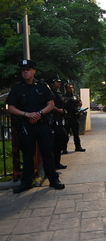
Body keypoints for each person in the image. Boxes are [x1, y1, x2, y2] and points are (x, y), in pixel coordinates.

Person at [6, 60, 65, 193]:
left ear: (34, 71)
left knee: (47, 153)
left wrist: (38, 114)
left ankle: (53, 180)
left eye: (28, 69)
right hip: (26, 126)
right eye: (23, 70)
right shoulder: (17, 88)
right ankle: (26, 182)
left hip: (42, 124)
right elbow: (10, 107)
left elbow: (50, 104)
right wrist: (27, 114)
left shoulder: (43, 86)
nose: (25, 72)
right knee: (28, 154)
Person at [47, 75, 68, 169]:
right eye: (57, 82)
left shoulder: (57, 92)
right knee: (62, 138)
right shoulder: (50, 92)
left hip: (59, 119)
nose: (59, 83)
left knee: (60, 140)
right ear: (52, 83)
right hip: (53, 119)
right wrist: (59, 110)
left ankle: (56, 163)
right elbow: (50, 105)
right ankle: (53, 163)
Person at [63, 83, 86, 152]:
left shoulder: (75, 96)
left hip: (75, 117)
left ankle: (78, 147)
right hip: (67, 117)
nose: (71, 89)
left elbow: (80, 104)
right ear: (66, 89)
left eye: (72, 88)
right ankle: (64, 148)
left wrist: (79, 102)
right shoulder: (63, 97)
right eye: (69, 88)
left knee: (76, 134)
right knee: (65, 134)